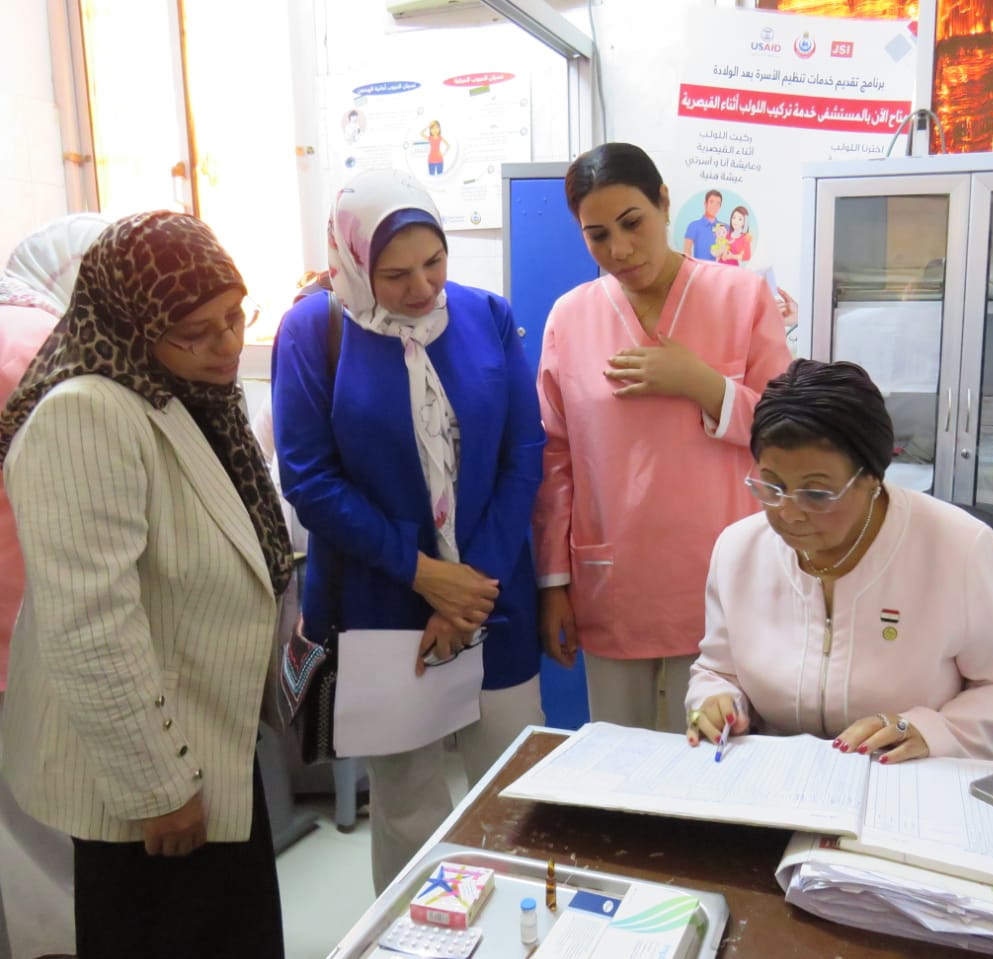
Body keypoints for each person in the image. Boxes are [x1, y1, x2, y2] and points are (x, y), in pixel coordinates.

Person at [0, 211, 291, 958]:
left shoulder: (185, 392)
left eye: (236, 316)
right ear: (131, 324)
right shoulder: (85, 416)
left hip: (212, 743)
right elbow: (90, 628)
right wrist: (158, 788)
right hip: (153, 780)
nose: (229, 344)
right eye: (197, 331)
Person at [272, 168, 545, 894]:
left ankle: (524, 930)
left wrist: (469, 589)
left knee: (516, 793)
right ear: (355, 262)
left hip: (492, 597)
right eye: (394, 275)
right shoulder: (314, 330)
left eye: (435, 262)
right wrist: (427, 576)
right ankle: (417, 936)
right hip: (382, 604)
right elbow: (309, 479)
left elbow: (524, 452)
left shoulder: (485, 315)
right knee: (408, 807)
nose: (423, 287)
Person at [534, 142, 792, 734]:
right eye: (598, 235)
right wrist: (553, 583)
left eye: (633, 223)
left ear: (664, 204)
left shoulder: (741, 297)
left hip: (718, 577)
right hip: (615, 578)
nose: (620, 250)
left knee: (710, 756)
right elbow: (555, 459)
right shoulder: (570, 318)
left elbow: (787, 433)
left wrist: (705, 385)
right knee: (618, 756)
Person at [685, 359, 993, 762]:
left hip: (905, 773)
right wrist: (716, 700)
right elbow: (718, 671)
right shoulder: (740, 549)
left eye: (817, 494)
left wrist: (936, 731)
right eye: (772, 486)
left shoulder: (958, 548)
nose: (788, 513)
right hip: (776, 775)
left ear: (872, 478)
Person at [0, 212, 109, 959]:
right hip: (40, 616)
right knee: (64, 827)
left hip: (20, 619)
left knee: (23, 834)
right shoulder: (47, 343)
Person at [682, 188, 723, 261]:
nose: (714, 206)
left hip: (719, 268)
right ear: (705, 203)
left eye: (718, 203)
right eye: (711, 202)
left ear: (720, 206)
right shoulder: (693, 226)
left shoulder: (724, 228)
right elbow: (686, 253)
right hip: (700, 267)